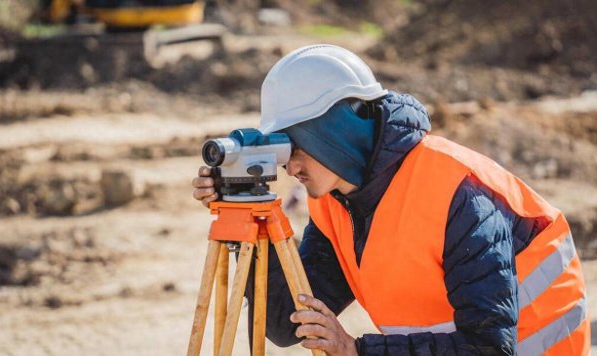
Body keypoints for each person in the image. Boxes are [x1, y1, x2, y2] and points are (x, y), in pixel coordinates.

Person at [192, 45, 590, 355]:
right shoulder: (337, 202)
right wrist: (246, 213)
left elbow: (489, 346)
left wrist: (358, 351)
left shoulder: (456, 193)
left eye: (294, 146)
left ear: (335, 129)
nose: (288, 167)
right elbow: (283, 321)